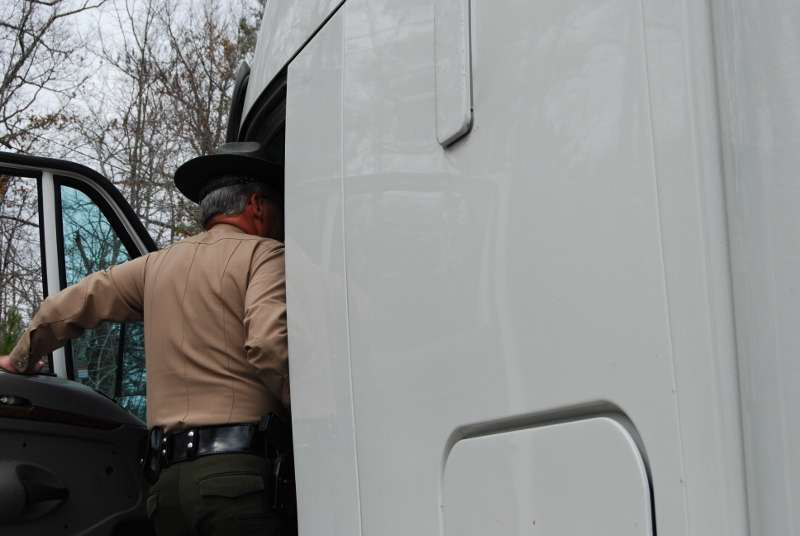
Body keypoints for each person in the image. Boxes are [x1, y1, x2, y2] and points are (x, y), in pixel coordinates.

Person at [0, 142, 295, 536]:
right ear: (257, 205)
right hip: (238, 483)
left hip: (166, 489)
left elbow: (68, 306)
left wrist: (19, 359)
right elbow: (268, 345)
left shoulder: (155, 267)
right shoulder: (265, 255)